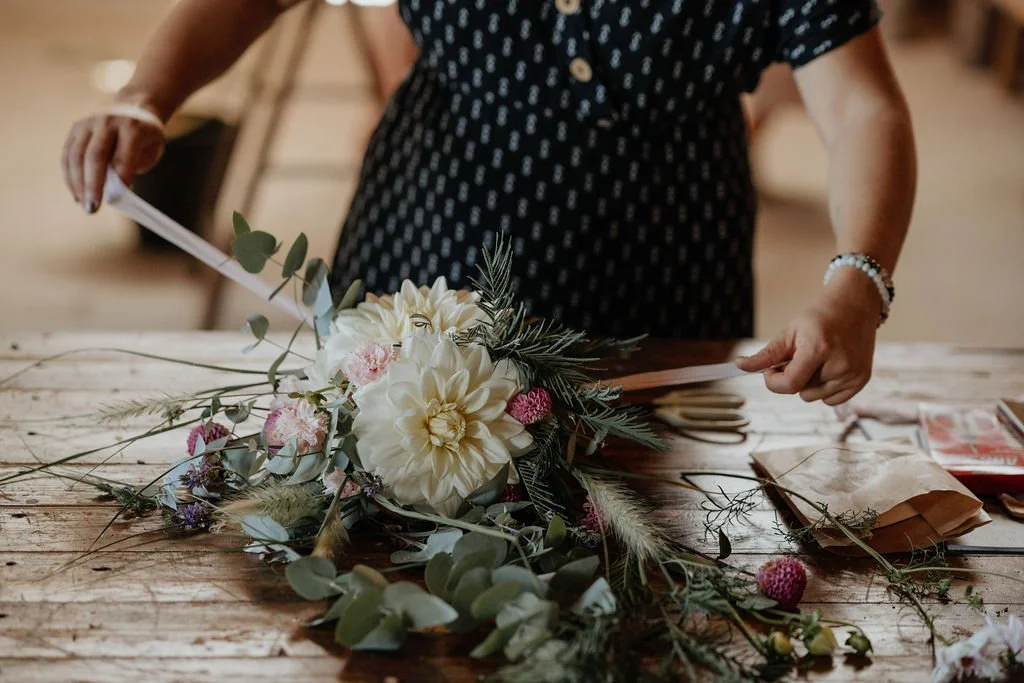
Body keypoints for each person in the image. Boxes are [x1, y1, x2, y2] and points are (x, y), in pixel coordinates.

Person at [61, 0, 916, 407]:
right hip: (428, 240)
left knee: (639, 550)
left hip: (661, 279)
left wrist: (858, 278)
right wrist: (148, 92)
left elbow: (863, 105)